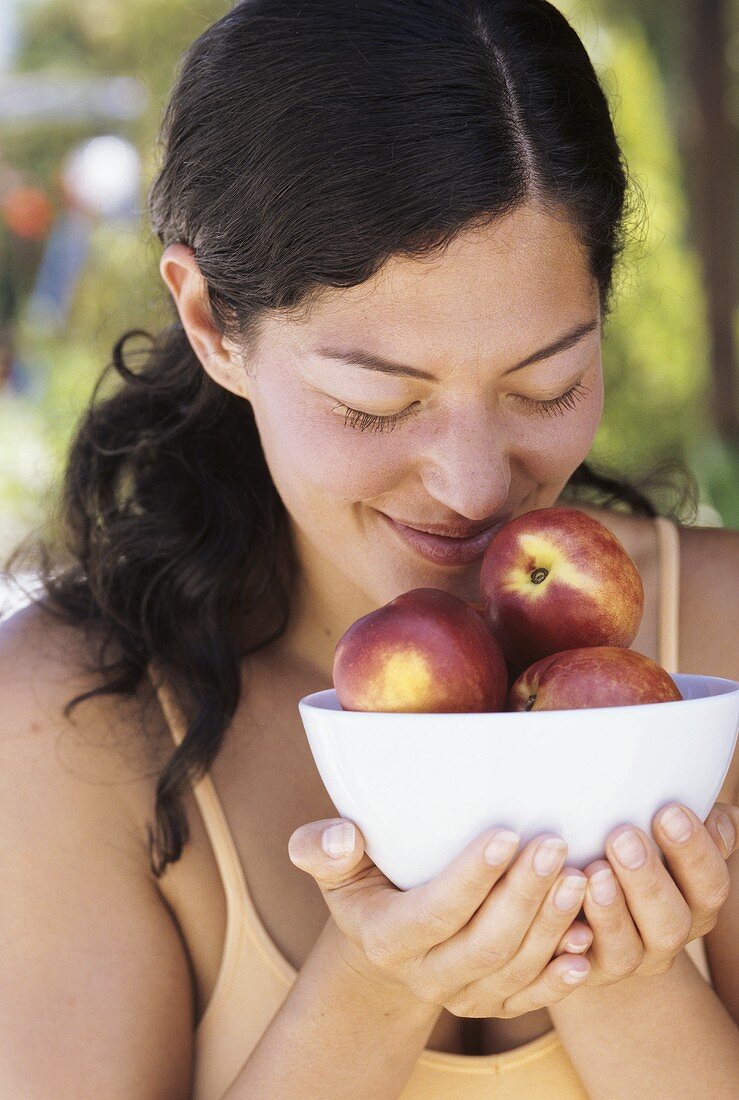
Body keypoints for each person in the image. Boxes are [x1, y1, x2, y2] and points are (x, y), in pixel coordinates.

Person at [2, 2, 737, 1097]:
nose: (475, 482)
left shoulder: (716, 642)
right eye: (374, 404)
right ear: (210, 323)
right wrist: (375, 976)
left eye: (548, 383)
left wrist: (614, 970)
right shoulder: (72, 720)